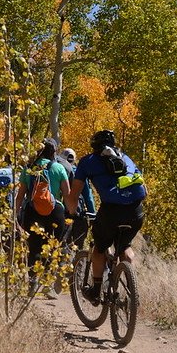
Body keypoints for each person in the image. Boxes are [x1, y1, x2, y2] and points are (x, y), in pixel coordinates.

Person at [66, 130, 146, 303]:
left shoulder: (88, 162)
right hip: (136, 210)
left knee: (99, 248)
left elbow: (74, 194)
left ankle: (95, 290)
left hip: (111, 211)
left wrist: (72, 211)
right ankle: (132, 291)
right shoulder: (125, 157)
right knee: (125, 246)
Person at [14, 138, 70, 298]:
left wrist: (16, 215)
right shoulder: (59, 168)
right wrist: (71, 213)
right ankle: (48, 286)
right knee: (53, 247)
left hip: (33, 211)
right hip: (56, 211)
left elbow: (20, 196)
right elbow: (67, 194)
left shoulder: (29, 169)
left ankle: (33, 283)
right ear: (54, 152)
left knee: (34, 247)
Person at [59, 147, 96, 249]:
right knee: (78, 247)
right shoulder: (79, 172)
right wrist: (93, 214)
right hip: (79, 214)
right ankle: (78, 263)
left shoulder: (58, 169)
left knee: (61, 246)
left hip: (62, 214)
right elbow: (88, 196)